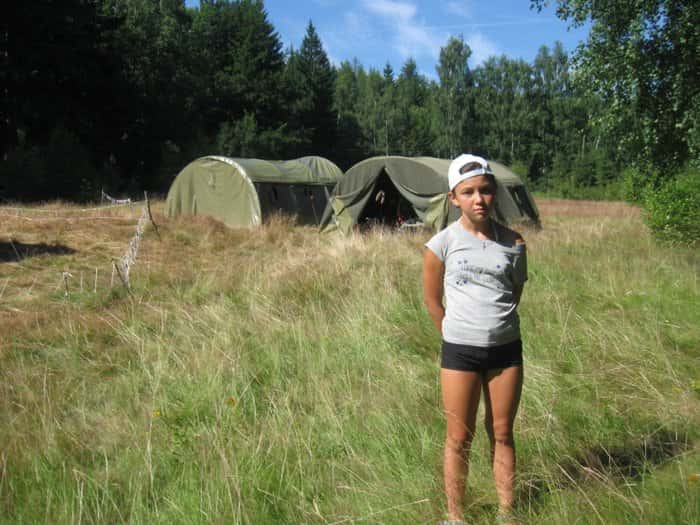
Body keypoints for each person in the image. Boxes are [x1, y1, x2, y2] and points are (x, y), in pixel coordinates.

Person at [423, 154, 528, 525]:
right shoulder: (441, 244)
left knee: (502, 432)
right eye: (468, 192)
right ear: (454, 198)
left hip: (506, 352)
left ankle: (507, 513)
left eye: (485, 190)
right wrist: (457, 335)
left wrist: (493, 327)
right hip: (460, 354)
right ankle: (456, 516)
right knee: (458, 437)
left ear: (495, 192)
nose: (478, 199)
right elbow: (433, 301)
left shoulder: (514, 242)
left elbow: (514, 293)